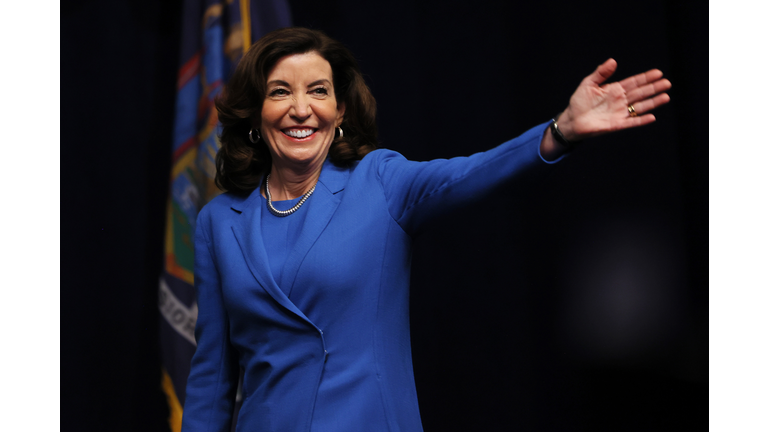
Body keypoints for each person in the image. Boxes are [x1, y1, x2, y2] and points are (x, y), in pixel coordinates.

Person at [181, 27, 671, 432]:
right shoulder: (218, 222)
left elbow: (470, 173)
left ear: (341, 111)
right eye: (280, 92)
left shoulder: (380, 182)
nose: (301, 108)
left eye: (318, 91)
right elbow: (211, 378)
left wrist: (558, 132)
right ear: (254, 114)